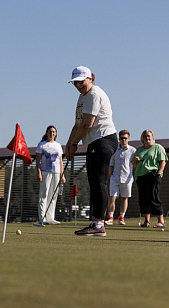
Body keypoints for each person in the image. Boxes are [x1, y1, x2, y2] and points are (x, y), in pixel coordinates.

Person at [67, 66, 118, 237]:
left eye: (81, 81)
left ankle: (99, 225)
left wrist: (74, 143)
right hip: (95, 142)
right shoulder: (82, 97)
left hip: (104, 140)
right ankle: (96, 222)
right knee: (94, 182)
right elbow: (78, 123)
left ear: (90, 78)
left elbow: (87, 124)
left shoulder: (95, 94)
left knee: (99, 182)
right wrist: (68, 145)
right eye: (75, 82)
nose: (78, 85)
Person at [132, 130, 168, 228]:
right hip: (140, 176)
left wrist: (159, 173)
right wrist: (135, 160)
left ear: (152, 137)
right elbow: (134, 165)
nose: (147, 138)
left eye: (149, 136)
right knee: (143, 198)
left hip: (153, 174)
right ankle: (146, 221)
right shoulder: (139, 149)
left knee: (153, 196)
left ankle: (161, 221)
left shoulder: (158, 147)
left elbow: (163, 161)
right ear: (142, 138)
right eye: (145, 136)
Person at [34, 125, 65, 226]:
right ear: (47, 133)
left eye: (54, 132)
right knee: (44, 194)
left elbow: (60, 162)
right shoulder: (42, 145)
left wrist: (62, 175)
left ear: (56, 134)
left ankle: (50, 217)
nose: (52, 133)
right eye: (50, 131)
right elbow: (37, 160)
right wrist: (39, 172)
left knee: (53, 194)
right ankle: (41, 217)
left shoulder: (58, 145)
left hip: (56, 172)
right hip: (45, 172)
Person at [107, 130, 136, 225]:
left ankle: (121, 217)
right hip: (115, 177)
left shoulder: (133, 150)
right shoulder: (114, 150)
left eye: (125, 138)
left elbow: (134, 164)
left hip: (127, 178)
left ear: (129, 139)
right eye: (122, 138)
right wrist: (110, 176)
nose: (123, 140)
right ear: (119, 139)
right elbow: (111, 164)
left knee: (124, 198)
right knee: (112, 197)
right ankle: (110, 217)